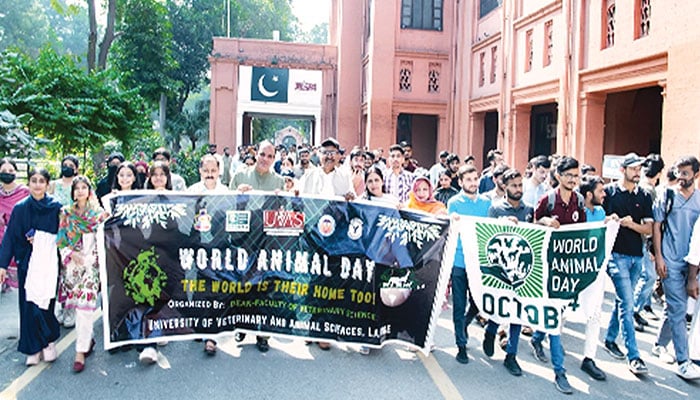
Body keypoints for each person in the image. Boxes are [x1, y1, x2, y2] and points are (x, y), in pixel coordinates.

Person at [532, 156, 586, 394]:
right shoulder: (548, 199)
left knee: (558, 311)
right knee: (553, 314)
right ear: (558, 176)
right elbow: (532, 224)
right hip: (547, 266)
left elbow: (584, 232)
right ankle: (559, 371)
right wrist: (544, 221)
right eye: (569, 175)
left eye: (577, 176)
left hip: (567, 268)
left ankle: (537, 336)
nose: (573, 180)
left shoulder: (580, 201)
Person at [0, 167, 62, 366]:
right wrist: (2, 265)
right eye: (33, 180)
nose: (37, 184)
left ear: (47, 184)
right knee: (28, 306)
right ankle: (32, 348)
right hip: (27, 263)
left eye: (41, 181)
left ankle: (48, 342)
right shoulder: (20, 208)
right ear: (28, 183)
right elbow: (9, 237)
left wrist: (43, 239)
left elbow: (64, 235)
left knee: (45, 304)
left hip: (49, 264)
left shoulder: (55, 207)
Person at [600, 153, 652, 376]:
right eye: (633, 168)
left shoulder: (644, 195)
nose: (637, 172)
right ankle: (634, 355)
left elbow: (648, 229)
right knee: (627, 304)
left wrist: (631, 225)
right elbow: (599, 219)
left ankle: (610, 339)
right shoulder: (610, 192)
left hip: (636, 256)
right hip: (616, 256)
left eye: (639, 168)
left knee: (623, 301)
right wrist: (610, 219)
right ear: (623, 170)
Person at [652, 156, 700, 379]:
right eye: (678, 172)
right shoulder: (668, 194)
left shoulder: (699, 200)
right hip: (670, 261)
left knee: (674, 308)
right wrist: (659, 257)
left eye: (686, 173)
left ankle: (659, 344)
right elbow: (657, 227)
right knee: (679, 308)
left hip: (692, 263)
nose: (681, 177)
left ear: (696, 175)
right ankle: (684, 361)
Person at [57, 176, 108, 372]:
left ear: (89, 191)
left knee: (86, 305)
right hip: (72, 265)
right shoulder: (66, 214)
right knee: (78, 307)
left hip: (92, 264)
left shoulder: (99, 214)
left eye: (84, 187)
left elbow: (108, 236)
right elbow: (61, 240)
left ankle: (79, 351)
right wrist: (71, 253)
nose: (80, 191)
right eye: (76, 188)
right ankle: (88, 340)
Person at [485, 169, 533, 376]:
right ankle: (491, 330)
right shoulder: (495, 209)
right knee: (500, 306)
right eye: (514, 185)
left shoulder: (529, 210)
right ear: (505, 187)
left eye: (520, 185)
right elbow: (487, 235)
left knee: (517, 312)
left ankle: (511, 355)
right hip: (500, 269)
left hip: (522, 270)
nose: (518, 189)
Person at [447, 164, 491, 365]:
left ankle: (465, 323)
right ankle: (461, 345)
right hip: (458, 261)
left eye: (476, 179)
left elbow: (494, 227)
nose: (473, 183)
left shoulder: (486, 203)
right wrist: (452, 219)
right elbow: (449, 226)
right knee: (458, 304)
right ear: (461, 182)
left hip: (479, 261)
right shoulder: (454, 202)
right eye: (469, 180)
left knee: (478, 302)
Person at [575, 175, 612, 381]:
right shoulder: (577, 213)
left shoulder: (600, 212)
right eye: (600, 191)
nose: (604, 194)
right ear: (589, 194)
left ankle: (589, 357)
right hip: (573, 270)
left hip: (594, 270)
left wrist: (610, 223)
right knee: (563, 309)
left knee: (595, 314)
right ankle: (540, 338)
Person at [634, 154, 665, 326]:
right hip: (645, 239)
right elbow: (652, 222)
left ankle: (638, 309)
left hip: (642, 238)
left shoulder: (643, 187)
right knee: (648, 277)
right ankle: (634, 310)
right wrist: (653, 247)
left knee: (644, 276)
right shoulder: (650, 191)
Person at [0, 158, 30, 291]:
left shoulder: (24, 192)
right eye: (4, 171)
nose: (7, 173)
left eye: (11, 170)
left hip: (19, 236)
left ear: (16, 172)